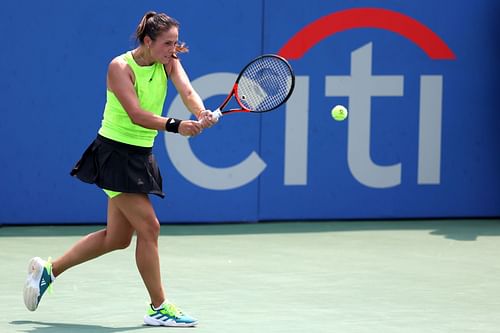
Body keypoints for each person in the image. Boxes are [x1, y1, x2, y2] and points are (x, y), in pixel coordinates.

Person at [22, 11, 217, 327]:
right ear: (147, 41)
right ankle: (159, 306)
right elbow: (137, 114)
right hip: (114, 154)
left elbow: (188, 91)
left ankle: (49, 270)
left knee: (117, 238)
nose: (173, 49)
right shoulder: (119, 68)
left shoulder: (168, 62)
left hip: (140, 155)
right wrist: (178, 125)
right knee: (149, 227)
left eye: (176, 43)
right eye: (167, 43)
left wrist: (201, 112)